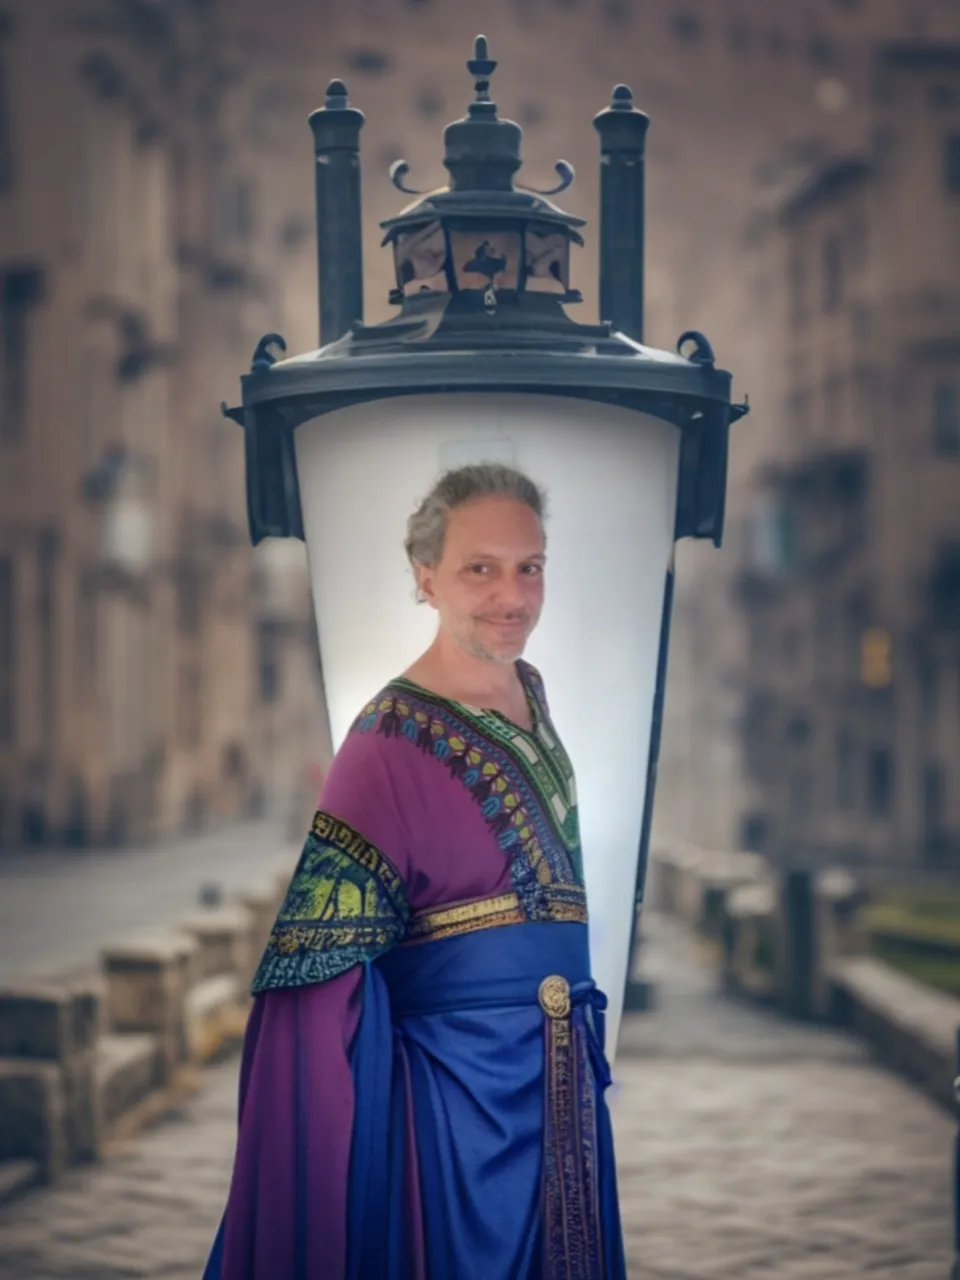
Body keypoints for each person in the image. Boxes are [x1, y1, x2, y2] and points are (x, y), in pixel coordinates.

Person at [204, 463, 626, 1280]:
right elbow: (314, 977)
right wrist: (356, 1148)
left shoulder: (532, 697)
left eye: (529, 567)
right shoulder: (381, 745)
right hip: (453, 1118)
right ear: (425, 576)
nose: (513, 594)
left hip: (562, 1091)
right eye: (481, 568)